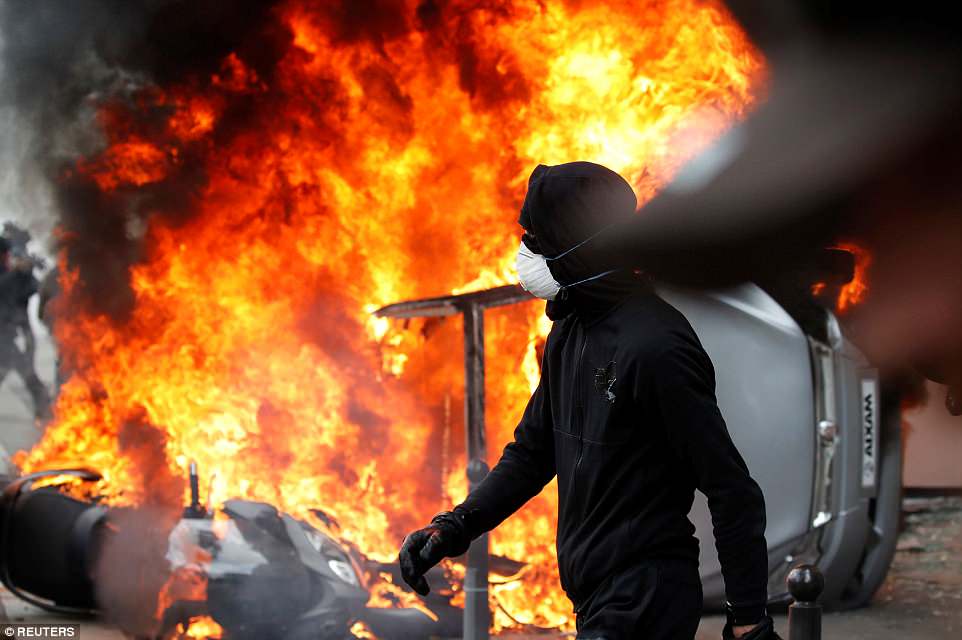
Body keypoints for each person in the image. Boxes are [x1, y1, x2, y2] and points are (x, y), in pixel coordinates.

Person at [399, 162, 780, 640]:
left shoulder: (656, 346)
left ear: (582, 247)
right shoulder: (570, 327)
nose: (525, 252)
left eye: (538, 240)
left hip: (645, 598)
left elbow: (731, 489)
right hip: (595, 598)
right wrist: (451, 529)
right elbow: (532, 454)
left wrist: (747, 618)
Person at [0, 236, 51, 420]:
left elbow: (35, 289)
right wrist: (18, 273)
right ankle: (45, 411)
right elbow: (4, 288)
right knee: (26, 374)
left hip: (12, 336)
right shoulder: (9, 275)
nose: (8, 258)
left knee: (28, 374)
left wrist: (26, 273)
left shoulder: (14, 274)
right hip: (4, 339)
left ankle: (45, 413)